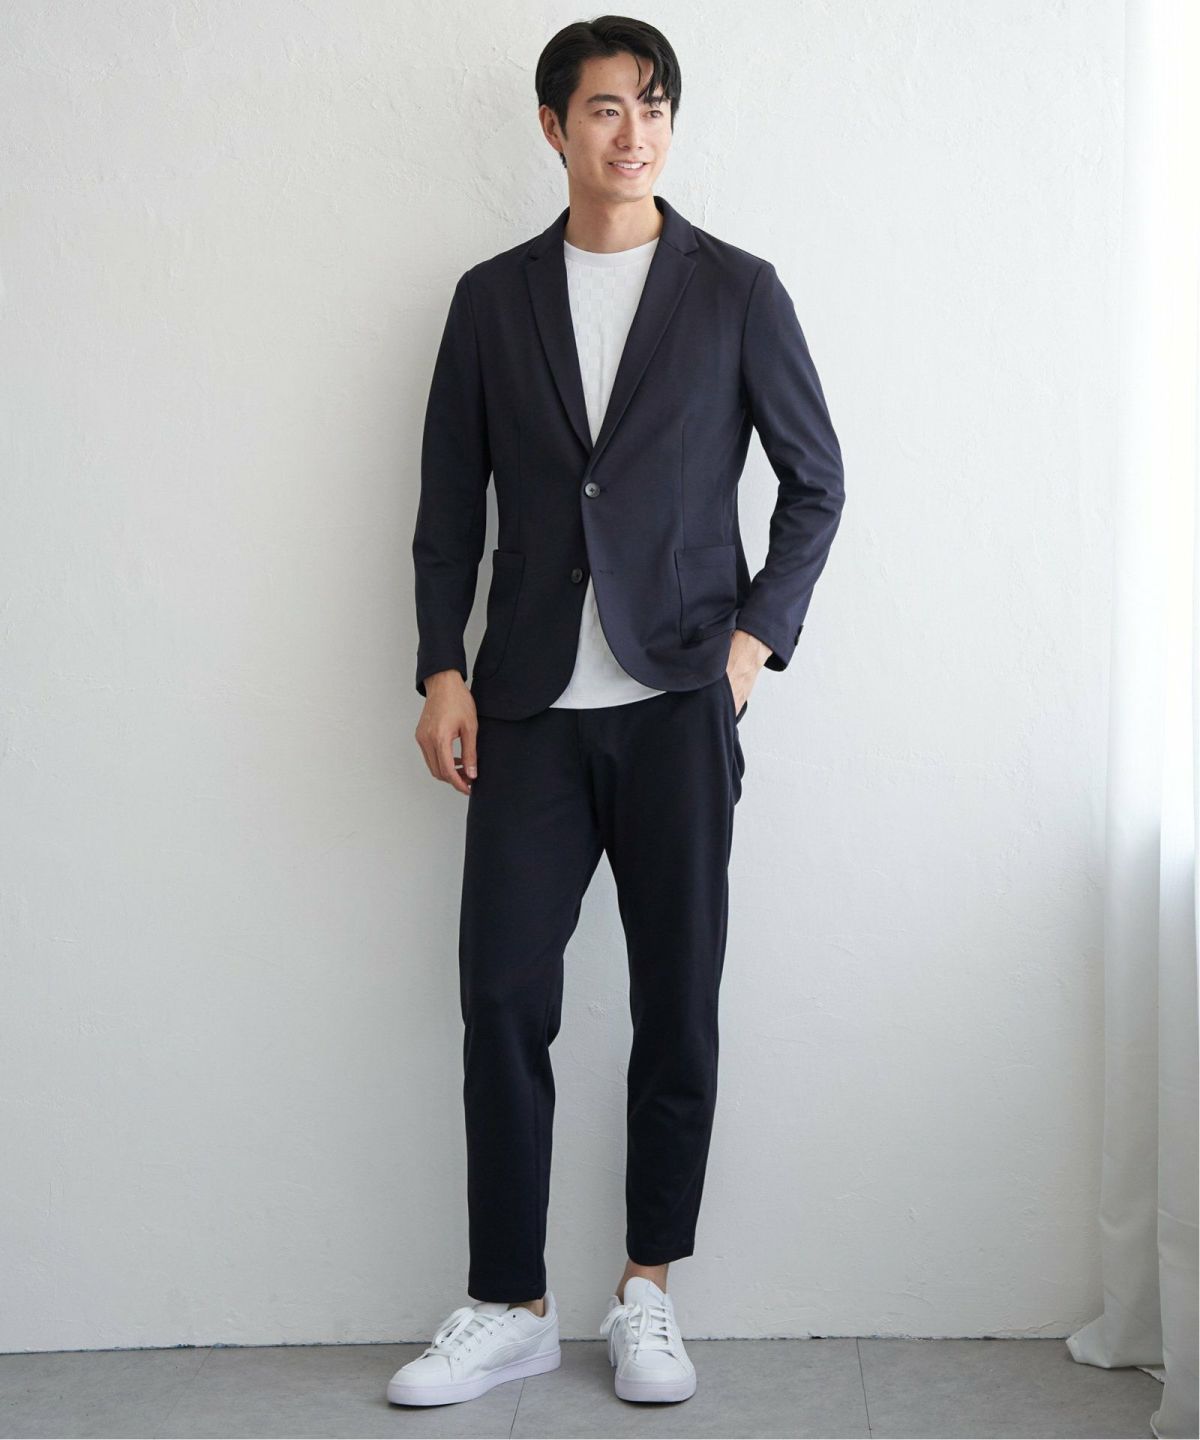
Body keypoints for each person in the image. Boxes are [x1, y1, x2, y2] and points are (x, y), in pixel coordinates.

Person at [388, 14, 845, 1409]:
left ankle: (648, 1290)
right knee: (501, 998)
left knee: (676, 1003)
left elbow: (815, 483)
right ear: (554, 127)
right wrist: (441, 668)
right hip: (526, 706)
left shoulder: (737, 291)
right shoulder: (491, 299)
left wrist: (751, 647)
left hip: (677, 705)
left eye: (653, 107)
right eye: (603, 109)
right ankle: (508, 1303)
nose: (633, 132)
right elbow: (447, 505)